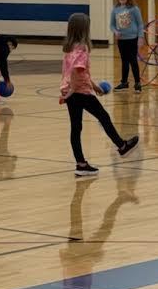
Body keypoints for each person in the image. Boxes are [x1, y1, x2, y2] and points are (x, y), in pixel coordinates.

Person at [60, 12, 139, 176]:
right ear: (84, 29)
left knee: (76, 128)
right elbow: (76, 71)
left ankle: (80, 164)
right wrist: (75, 90)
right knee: (104, 117)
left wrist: (94, 86)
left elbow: (80, 72)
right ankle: (122, 146)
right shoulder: (82, 48)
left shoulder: (70, 47)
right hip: (79, 92)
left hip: (71, 91)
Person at [110, 0, 144, 92]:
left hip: (132, 39)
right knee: (124, 61)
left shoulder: (134, 9)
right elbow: (112, 25)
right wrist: (115, 31)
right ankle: (124, 82)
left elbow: (140, 24)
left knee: (133, 61)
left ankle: (137, 83)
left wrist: (140, 37)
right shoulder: (115, 9)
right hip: (121, 40)